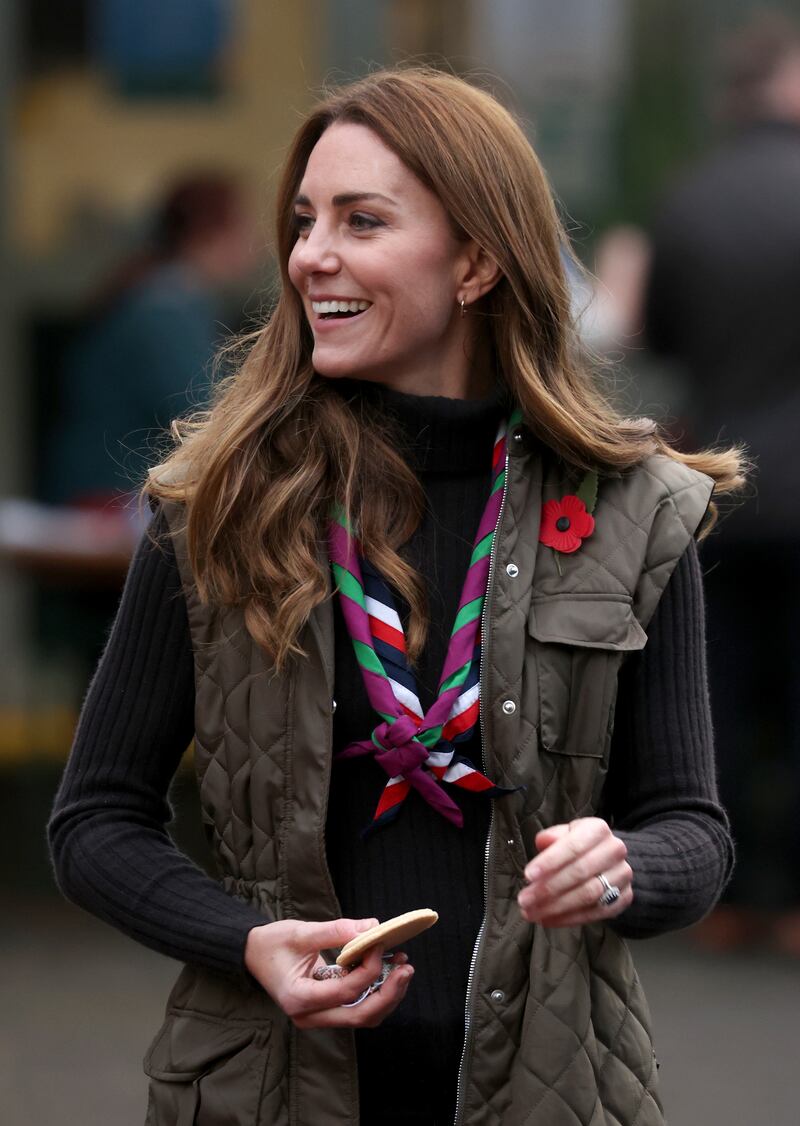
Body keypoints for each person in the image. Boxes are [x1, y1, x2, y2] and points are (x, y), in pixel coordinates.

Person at [49, 69, 745, 1126]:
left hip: (551, 1090)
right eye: (301, 221)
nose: (308, 255)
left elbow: (690, 831)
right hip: (263, 1088)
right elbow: (94, 821)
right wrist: (244, 938)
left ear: (473, 259)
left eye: (359, 220)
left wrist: (619, 869)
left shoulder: (633, 512)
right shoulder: (213, 507)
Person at [645, 12, 800, 952]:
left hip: (722, 487)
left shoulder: (687, 199)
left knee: (724, 693)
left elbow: (660, 340)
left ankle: (732, 899)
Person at [45, 172, 258, 505]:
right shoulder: (166, 308)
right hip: (109, 497)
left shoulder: (167, 296)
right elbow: (206, 411)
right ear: (209, 231)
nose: (255, 240)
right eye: (243, 225)